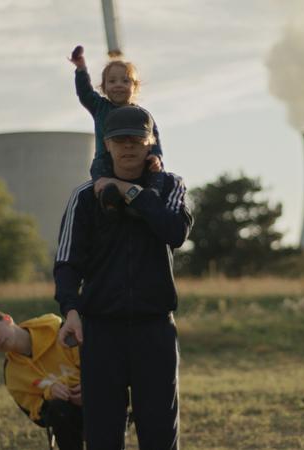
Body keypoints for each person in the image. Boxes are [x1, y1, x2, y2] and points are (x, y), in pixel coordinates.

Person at [54, 105, 193, 450]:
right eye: (120, 140)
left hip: (155, 328)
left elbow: (175, 231)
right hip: (101, 330)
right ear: (107, 145)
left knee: (160, 433)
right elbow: (67, 263)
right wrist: (70, 309)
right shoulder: (84, 197)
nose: (128, 146)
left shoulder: (171, 186)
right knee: (102, 434)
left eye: (136, 139)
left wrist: (127, 191)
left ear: (150, 143)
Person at [0, 309, 83, 450]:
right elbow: (39, 416)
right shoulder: (12, 373)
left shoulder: (59, 331)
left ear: (7, 319)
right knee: (58, 408)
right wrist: (50, 393)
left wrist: (87, 386)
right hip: (69, 416)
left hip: (100, 398)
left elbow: (96, 364)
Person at [69, 45, 164, 208]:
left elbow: (153, 137)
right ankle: (108, 203)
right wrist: (81, 69)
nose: (118, 85)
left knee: (157, 173)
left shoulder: (141, 115)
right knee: (99, 173)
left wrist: (156, 156)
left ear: (135, 86)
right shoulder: (100, 106)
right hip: (106, 158)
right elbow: (84, 93)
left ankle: (152, 196)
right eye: (112, 81)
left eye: (125, 81)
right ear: (104, 88)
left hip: (136, 160)